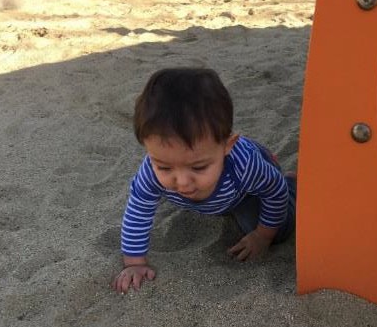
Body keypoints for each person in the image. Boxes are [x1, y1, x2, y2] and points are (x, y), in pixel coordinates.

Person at [113, 68, 296, 294]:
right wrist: (135, 264)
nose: (182, 182)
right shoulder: (150, 171)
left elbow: (273, 191)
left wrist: (262, 236)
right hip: (224, 194)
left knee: (277, 229)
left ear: (227, 146)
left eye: (198, 167)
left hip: (249, 188)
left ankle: (294, 185)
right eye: (164, 166)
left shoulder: (244, 165)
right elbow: (138, 208)